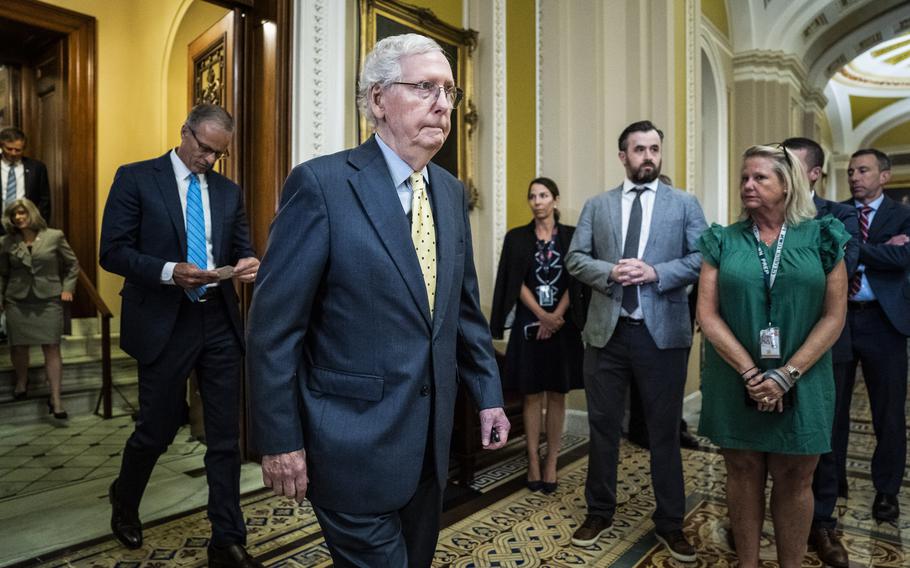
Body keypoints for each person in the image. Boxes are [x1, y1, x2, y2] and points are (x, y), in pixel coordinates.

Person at [246, 34, 510, 568]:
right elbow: (274, 330)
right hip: (348, 443)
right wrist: (278, 440)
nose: (442, 104)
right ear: (376, 100)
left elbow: (461, 312)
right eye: (424, 88)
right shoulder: (321, 186)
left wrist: (487, 394)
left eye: (449, 92)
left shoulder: (451, 193)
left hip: (429, 448)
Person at [99, 104, 261, 567]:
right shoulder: (135, 178)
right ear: (185, 132)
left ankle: (227, 540)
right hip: (164, 323)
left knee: (225, 438)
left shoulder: (229, 192)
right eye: (204, 148)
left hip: (219, 323)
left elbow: (242, 249)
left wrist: (248, 264)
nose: (209, 160)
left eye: (218, 154)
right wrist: (171, 271)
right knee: (156, 430)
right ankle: (125, 499)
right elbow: (112, 251)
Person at [696, 144, 848, 568]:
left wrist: (786, 374)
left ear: (788, 184)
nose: (748, 185)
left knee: (796, 475)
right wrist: (750, 371)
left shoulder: (823, 236)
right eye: (744, 177)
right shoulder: (721, 240)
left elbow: (834, 316)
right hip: (734, 375)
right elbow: (706, 315)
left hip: (806, 373)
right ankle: (747, 562)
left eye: (760, 177)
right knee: (742, 471)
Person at [566, 120, 706, 562]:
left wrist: (656, 273)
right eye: (639, 149)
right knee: (603, 427)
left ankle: (670, 524)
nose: (648, 156)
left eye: (654, 149)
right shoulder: (598, 205)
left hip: (661, 335)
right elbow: (575, 258)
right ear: (623, 156)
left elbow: (702, 257)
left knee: (664, 432)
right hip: (607, 333)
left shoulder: (685, 204)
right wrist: (608, 272)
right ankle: (599, 511)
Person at [782, 136, 859, 568]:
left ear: (813, 174)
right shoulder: (760, 215)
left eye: (788, 165)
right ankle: (763, 516)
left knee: (825, 435)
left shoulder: (839, 216)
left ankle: (823, 524)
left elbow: (845, 268)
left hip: (827, 345)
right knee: (766, 438)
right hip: (771, 346)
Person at [490, 177, 585, 494]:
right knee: (531, 394)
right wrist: (543, 315)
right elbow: (513, 280)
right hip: (530, 326)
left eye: (543, 195)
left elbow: (578, 279)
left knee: (558, 393)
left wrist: (557, 315)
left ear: (555, 200)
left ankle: (552, 461)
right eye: (532, 196)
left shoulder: (572, 236)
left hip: (563, 326)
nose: (537, 201)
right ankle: (532, 459)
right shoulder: (517, 238)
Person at [842, 148, 910, 524]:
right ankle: (833, 480)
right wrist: (879, 251)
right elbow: (829, 255)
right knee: (834, 409)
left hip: (885, 324)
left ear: (884, 176)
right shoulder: (836, 212)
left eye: (863, 170)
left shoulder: (904, 215)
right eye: (851, 170)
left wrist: (855, 252)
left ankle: (887, 491)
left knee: (888, 412)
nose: (854, 176)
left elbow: (903, 260)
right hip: (839, 320)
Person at [0, 198, 78, 414]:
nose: (19, 217)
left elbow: (72, 264)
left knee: (52, 347)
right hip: (17, 300)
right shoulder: (6, 242)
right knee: (18, 346)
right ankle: (21, 382)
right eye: (15, 214)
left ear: (32, 214)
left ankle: (56, 399)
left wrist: (68, 288)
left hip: (49, 300)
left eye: (22, 213)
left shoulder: (54, 236)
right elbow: (3, 273)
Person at [0, 127, 51, 228]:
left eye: (18, 150)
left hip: (27, 226)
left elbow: (44, 200)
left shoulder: (37, 168)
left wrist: (39, 225)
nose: (13, 153)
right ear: (1, 145)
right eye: (9, 149)